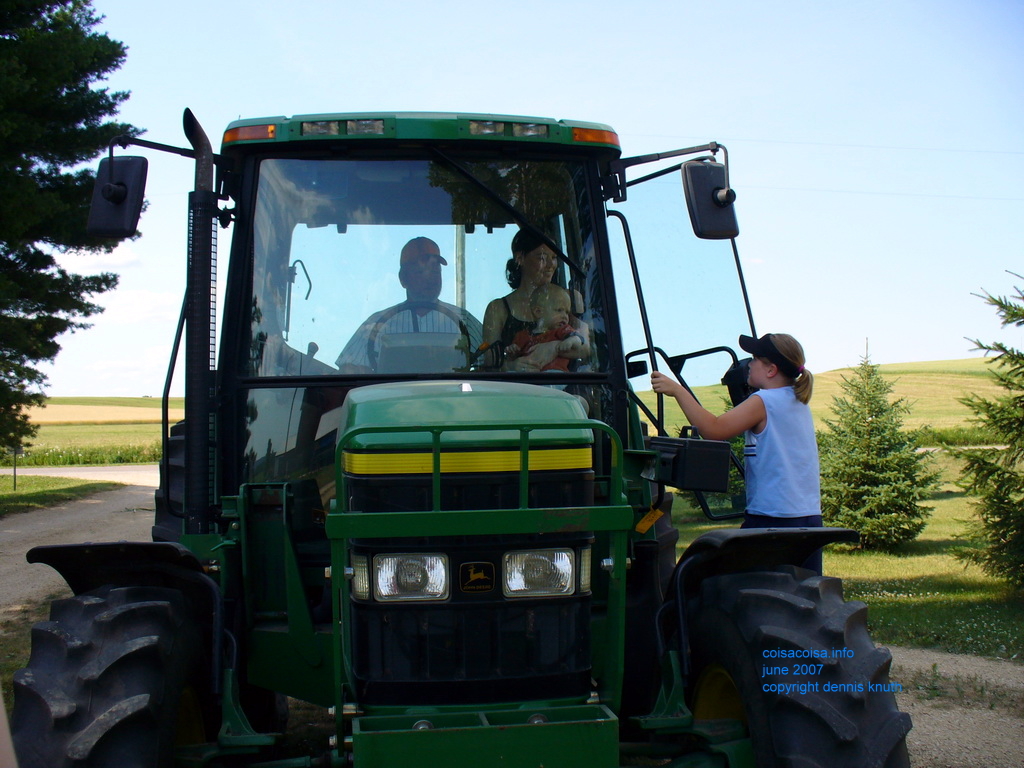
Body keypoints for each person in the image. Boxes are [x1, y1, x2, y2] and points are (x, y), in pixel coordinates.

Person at [651, 332, 823, 573]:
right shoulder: (796, 401)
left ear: (771, 370)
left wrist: (678, 391)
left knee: (723, 581)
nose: (749, 364)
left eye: (755, 359)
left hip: (772, 521)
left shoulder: (764, 400)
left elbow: (714, 430)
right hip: (809, 520)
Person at [336, 237, 482, 373]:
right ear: (402, 278)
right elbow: (349, 370)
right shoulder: (375, 325)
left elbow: (490, 362)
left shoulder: (464, 319)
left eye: (436, 271)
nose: (430, 278)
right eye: (421, 271)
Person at [482, 229, 588, 370]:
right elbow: (490, 360)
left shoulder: (569, 298)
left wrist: (555, 347)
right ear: (520, 258)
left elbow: (589, 347)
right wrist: (510, 367)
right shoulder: (498, 308)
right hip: (517, 389)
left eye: (554, 257)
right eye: (542, 257)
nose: (551, 265)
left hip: (565, 389)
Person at [505, 284, 585, 372]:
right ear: (538, 312)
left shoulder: (562, 330)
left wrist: (570, 341)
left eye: (567, 312)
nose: (565, 316)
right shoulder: (522, 335)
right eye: (559, 310)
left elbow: (578, 339)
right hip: (529, 375)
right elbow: (514, 355)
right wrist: (512, 351)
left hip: (554, 375)